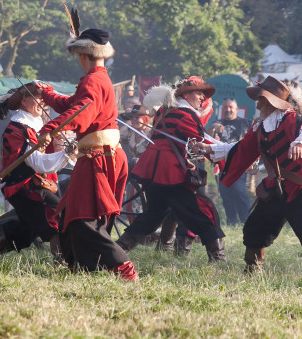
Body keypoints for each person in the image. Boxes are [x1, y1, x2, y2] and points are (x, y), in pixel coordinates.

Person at [204, 76, 302, 280]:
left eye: (261, 100)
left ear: (271, 102)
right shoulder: (260, 127)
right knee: (255, 227)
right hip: (277, 187)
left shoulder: (292, 119)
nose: (257, 104)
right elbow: (240, 149)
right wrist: (209, 149)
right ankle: (252, 271)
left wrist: (301, 144)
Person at [36, 24, 138, 281]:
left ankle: (124, 269)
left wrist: (49, 128)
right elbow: (71, 105)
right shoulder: (97, 80)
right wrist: (47, 93)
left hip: (99, 157)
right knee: (72, 212)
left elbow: (82, 112)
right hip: (98, 155)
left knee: (84, 219)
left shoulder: (94, 80)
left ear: (83, 54)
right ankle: (77, 265)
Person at [117, 77, 226, 261]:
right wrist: (229, 154)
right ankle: (218, 258)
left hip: (155, 169)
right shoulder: (184, 114)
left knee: (153, 215)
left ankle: (116, 251)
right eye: (199, 93)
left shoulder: (167, 111)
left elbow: (180, 143)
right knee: (204, 211)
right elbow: (202, 142)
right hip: (167, 172)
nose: (202, 98)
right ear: (186, 94)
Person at [0, 84, 71, 262]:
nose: (43, 102)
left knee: (23, 234)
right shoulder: (19, 129)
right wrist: (67, 154)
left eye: (44, 98)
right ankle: (65, 264)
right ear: (23, 102)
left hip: (36, 184)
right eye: (37, 97)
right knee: (56, 217)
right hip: (24, 187)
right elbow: (37, 163)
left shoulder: (38, 124)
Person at [209, 97, 252, 226]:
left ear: (236, 109)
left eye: (231, 107)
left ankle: (246, 221)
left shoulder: (245, 123)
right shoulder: (217, 123)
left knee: (239, 192)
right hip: (222, 165)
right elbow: (207, 139)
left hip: (239, 164)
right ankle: (231, 223)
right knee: (226, 194)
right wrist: (213, 127)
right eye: (226, 107)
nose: (228, 110)